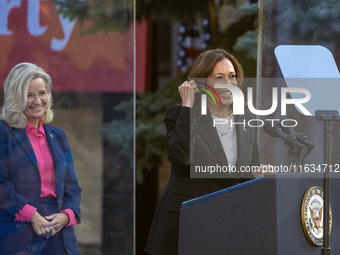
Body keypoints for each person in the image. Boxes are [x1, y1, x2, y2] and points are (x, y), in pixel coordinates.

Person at [145, 48, 270, 255]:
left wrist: (259, 176)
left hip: (226, 224)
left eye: (232, 77)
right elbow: (181, 158)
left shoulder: (247, 121)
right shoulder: (180, 115)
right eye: (219, 78)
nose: (228, 84)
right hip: (186, 221)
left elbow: (245, 179)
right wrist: (188, 106)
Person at [0, 63, 82, 255]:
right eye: (29, 95)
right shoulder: (3, 133)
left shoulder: (58, 135)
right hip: (18, 229)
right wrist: (32, 216)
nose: (37, 101)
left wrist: (66, 215)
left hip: (58, 229)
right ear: (15, 97)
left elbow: (72, 186)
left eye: (42, 93)